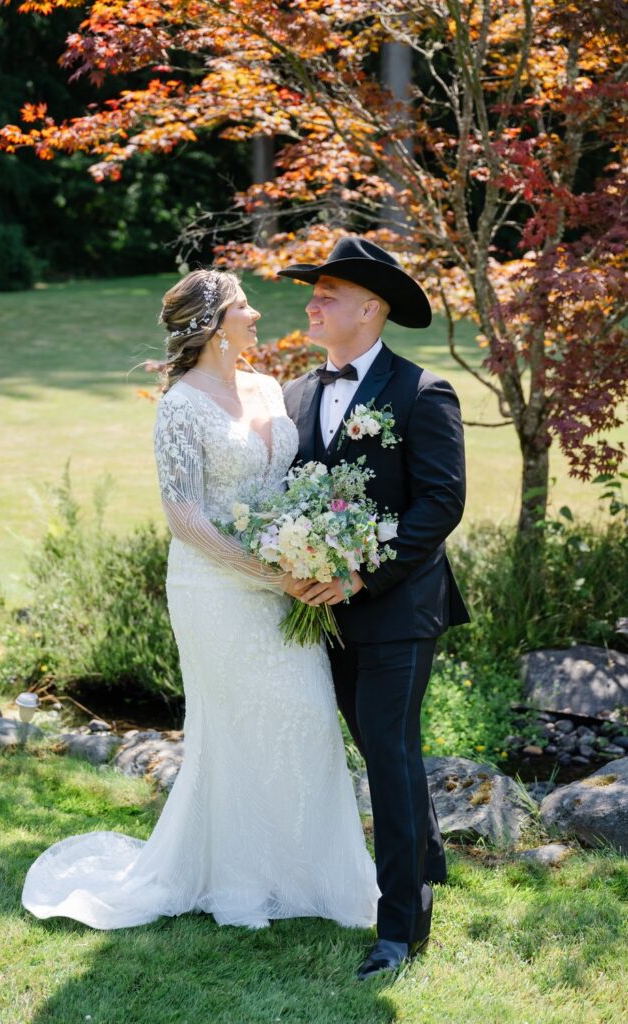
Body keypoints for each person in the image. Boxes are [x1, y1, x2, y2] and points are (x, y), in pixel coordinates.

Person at [21, 268, 379, 933]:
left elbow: (291, 482)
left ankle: (310, 874)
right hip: (214, 589)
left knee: (304, 719)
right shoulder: (180, 406)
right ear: (215, 326)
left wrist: (310, 549)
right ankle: (238, 881)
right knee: (237, 730)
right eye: (244, 307)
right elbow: (183, 516)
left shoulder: (268, 385)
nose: (256, 316)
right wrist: (272, 575)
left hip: (283, 582)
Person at [278, 237, 470, 981]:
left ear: (370, 307)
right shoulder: (294, 394)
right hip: (318, 612)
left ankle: (400, 927)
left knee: (387, 756)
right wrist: (291, 564)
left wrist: (359, 578)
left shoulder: (422, 393)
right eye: (313, 292)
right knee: (373, 746)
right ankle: (424, 855)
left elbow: (440, 505)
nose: (311, 304)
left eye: (325, 293)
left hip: (396, 610)